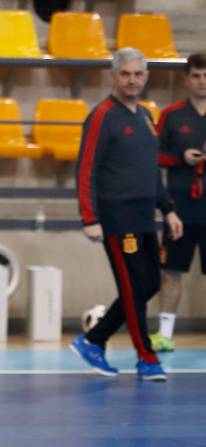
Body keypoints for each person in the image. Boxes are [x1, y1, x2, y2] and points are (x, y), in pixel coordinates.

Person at [71, 47, 183, 382]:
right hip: (119, 221)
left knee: (149, 284)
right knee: (134, 289)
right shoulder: (102, 116)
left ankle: (93, 340)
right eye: (125, 74)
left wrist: (168, 210)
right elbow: (85, 169)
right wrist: (90, 218)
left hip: (145, 218)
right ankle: (146, 358)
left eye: (137, 74)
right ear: (113, 76)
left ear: (146, 76)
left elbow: (152, 170)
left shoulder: (146, 116)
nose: (132, 80)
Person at [152, 53, 206, 352]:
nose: (202, 81)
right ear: (187, 79)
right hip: (179, 210)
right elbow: (154, 154)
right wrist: (180, 158)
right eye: (196, 75)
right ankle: (165, 335)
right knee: (171, 272)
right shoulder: (172, 115)